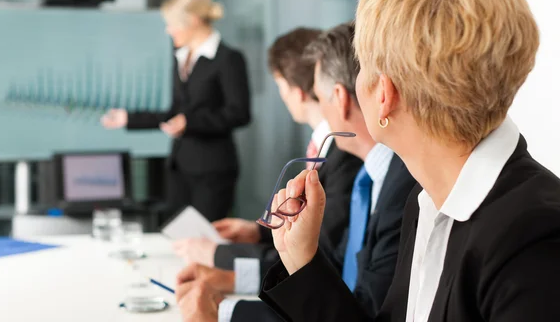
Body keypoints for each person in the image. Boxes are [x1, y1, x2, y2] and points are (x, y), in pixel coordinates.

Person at [257, 0, 560, 321]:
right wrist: (301, 259)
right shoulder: (425, 203)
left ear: (384, 95)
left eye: (363, 66)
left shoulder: (536, 237)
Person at [175, 24, 416, 322]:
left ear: (340, 97)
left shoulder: (384, 179)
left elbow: (352, 295)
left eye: (319, 94)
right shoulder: (373, 176)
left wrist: (224, 309)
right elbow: (338, 268)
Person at [100, 0, 251, 222]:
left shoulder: (228, 59)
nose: (169, 31)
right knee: (179, 237)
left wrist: (189, 123)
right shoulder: (181, 58)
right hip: (181, 166)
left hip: (212, 169)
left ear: (192, 20)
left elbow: (239, 113)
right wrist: (129, 118)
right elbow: (175, 112)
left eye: (172, 24)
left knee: (205, 240)